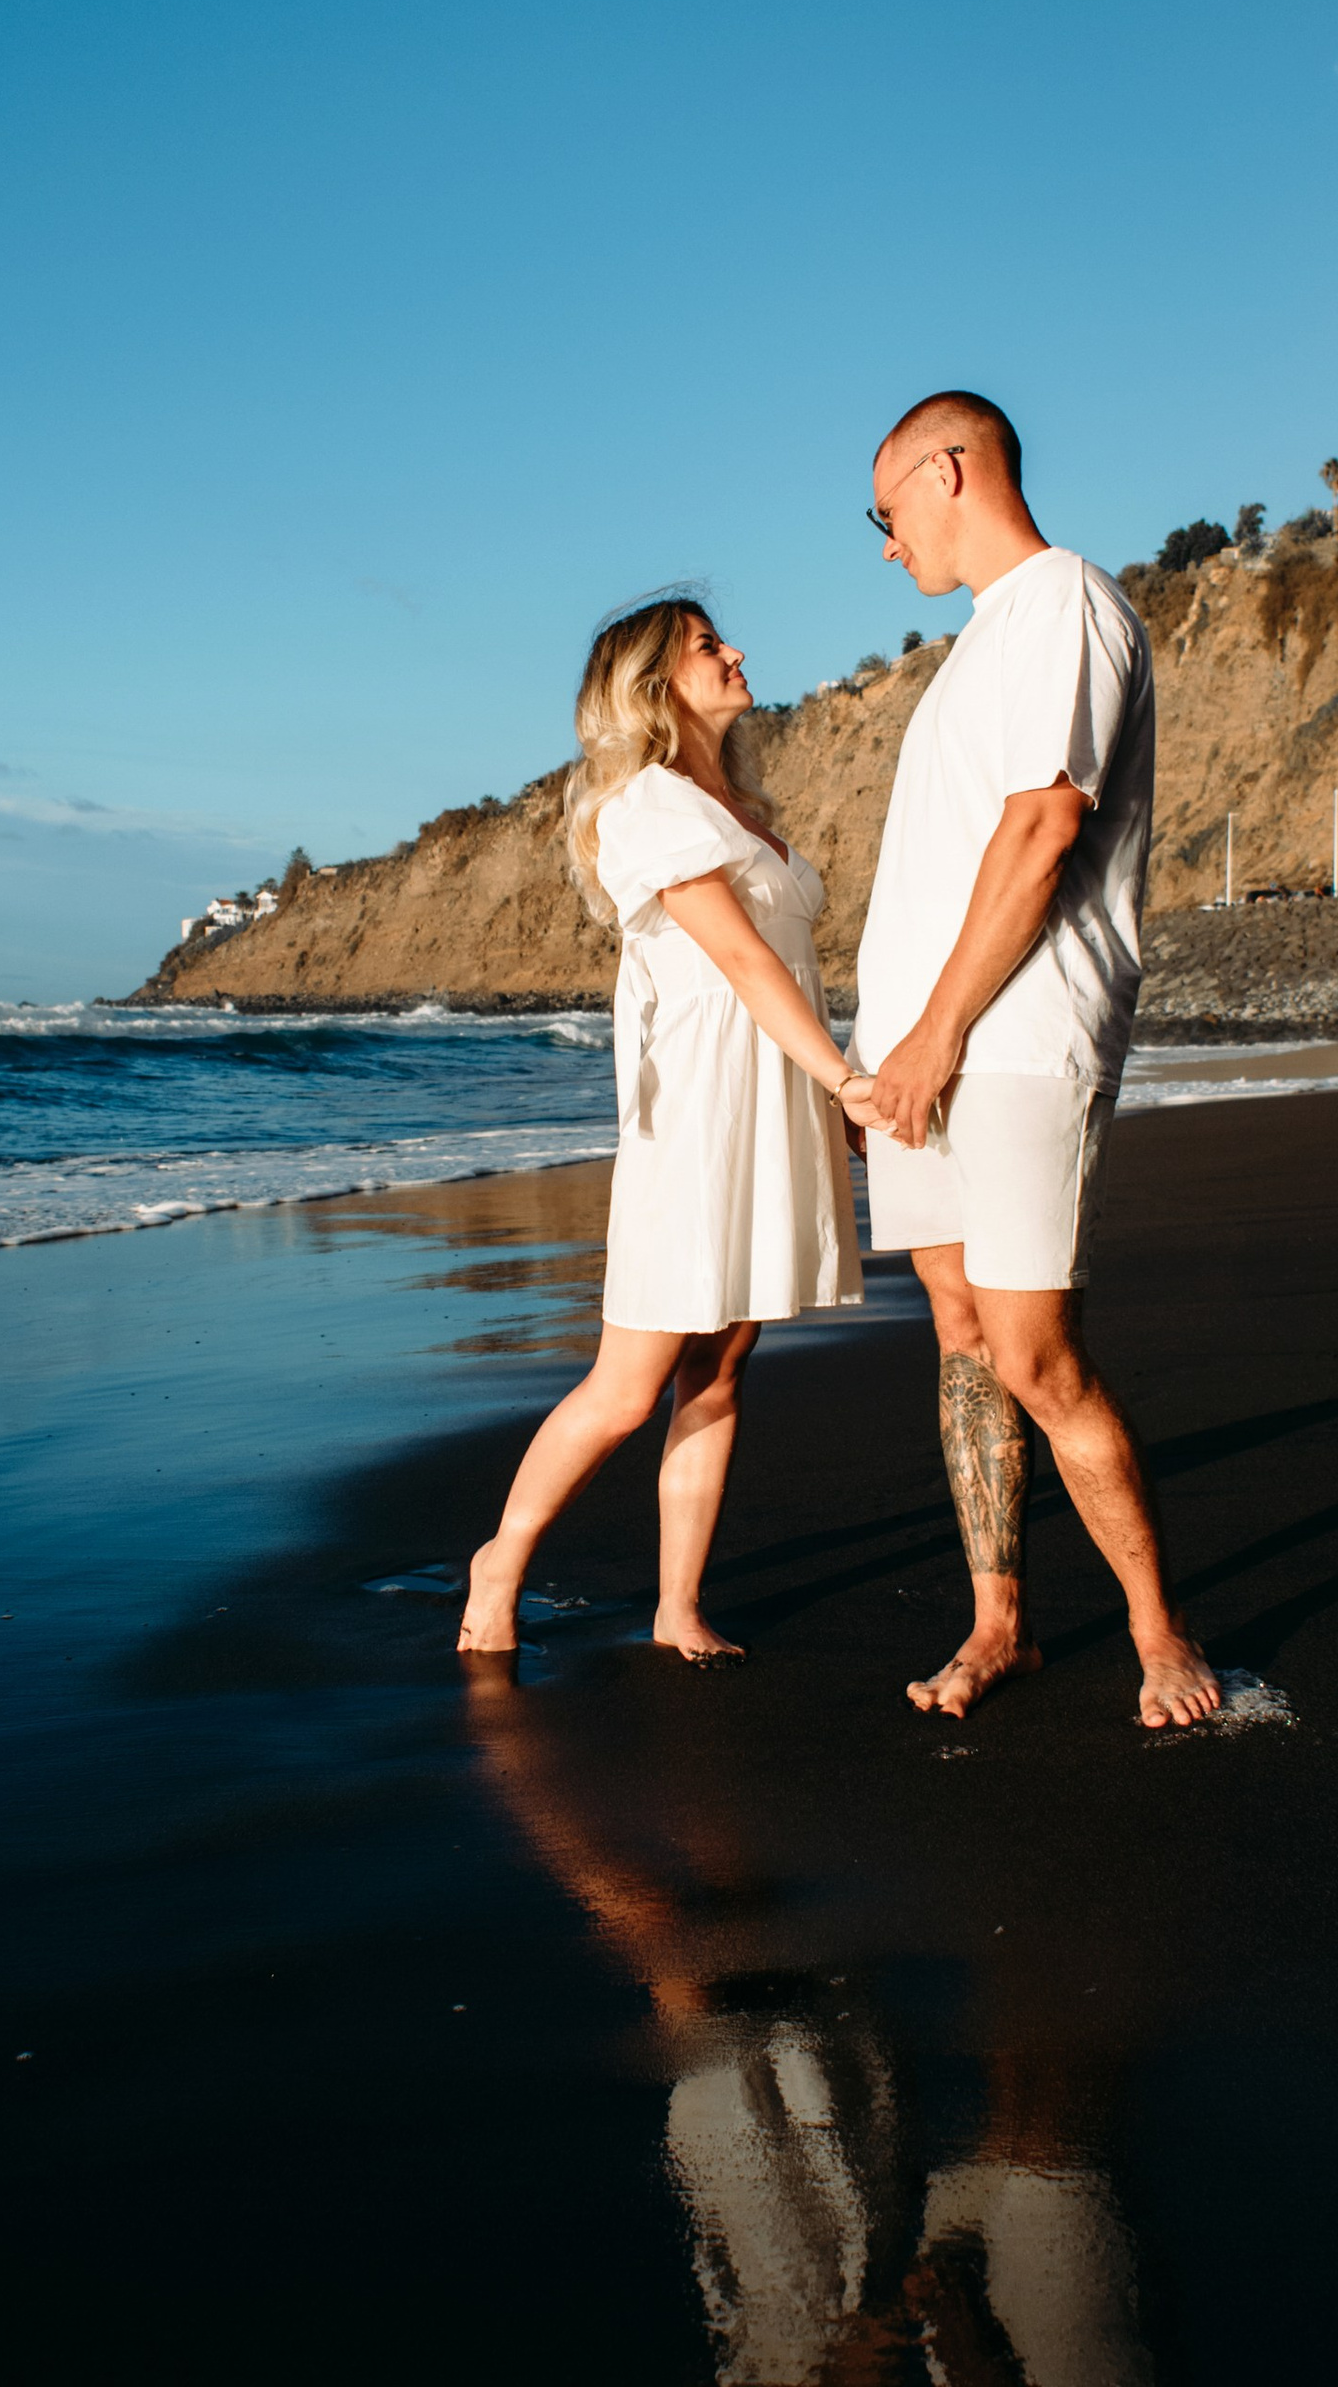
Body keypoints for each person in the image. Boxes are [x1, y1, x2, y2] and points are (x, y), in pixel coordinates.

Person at [845, 391, 1227, 1728]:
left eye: (885, 511)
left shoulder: (1064, 600)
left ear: (947, 471)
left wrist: (935, 1038)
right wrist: (879, 1059)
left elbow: (1042, 829)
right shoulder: (977, 647)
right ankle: (998, 1623)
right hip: (925, 1062)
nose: (886, 544)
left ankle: (1159, 1635)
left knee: (1037, 1353)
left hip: (1011, 1043)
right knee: (961, 1337)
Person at [458, 595, 870, 1662]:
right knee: (629, 1383)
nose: (735, 652)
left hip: (770, 1094)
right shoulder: (646, 804)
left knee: (722, 1372)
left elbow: (791, 971)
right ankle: (499, 1559)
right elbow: (739, 961)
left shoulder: (736, 802)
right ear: (652, 685)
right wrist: (847, 1076)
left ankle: (678, 1606)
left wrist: (826, 1095)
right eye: (706, 646)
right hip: (697, 1111)